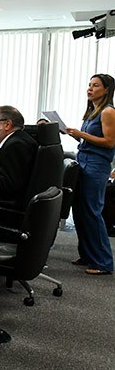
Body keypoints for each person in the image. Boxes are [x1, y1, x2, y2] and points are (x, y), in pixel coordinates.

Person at [65, 74, 115, 275]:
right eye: (89, 85)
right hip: (84, 160)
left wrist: (81, 134)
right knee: (79, 210)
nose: (90, 89)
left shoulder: (108, 111)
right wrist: (75, 135)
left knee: (92, 211)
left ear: (106, 89)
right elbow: (91, 140)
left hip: (96, 165)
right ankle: (88, 255)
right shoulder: (93, 111)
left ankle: (103, 262)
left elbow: (110, 142)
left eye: (95, 86)